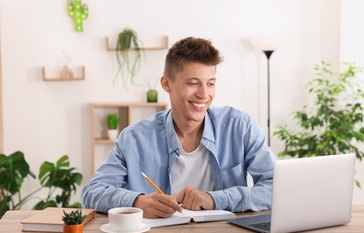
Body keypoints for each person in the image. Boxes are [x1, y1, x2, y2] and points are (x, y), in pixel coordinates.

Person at [82, 37, 276, 218]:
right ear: (167, 84)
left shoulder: (239, 127)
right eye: (193, 83)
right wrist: (138, 202)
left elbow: (277, 187)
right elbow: (92, 192)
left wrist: (216, 199)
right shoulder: (134, 138)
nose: (204, 94)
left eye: (210, 83)